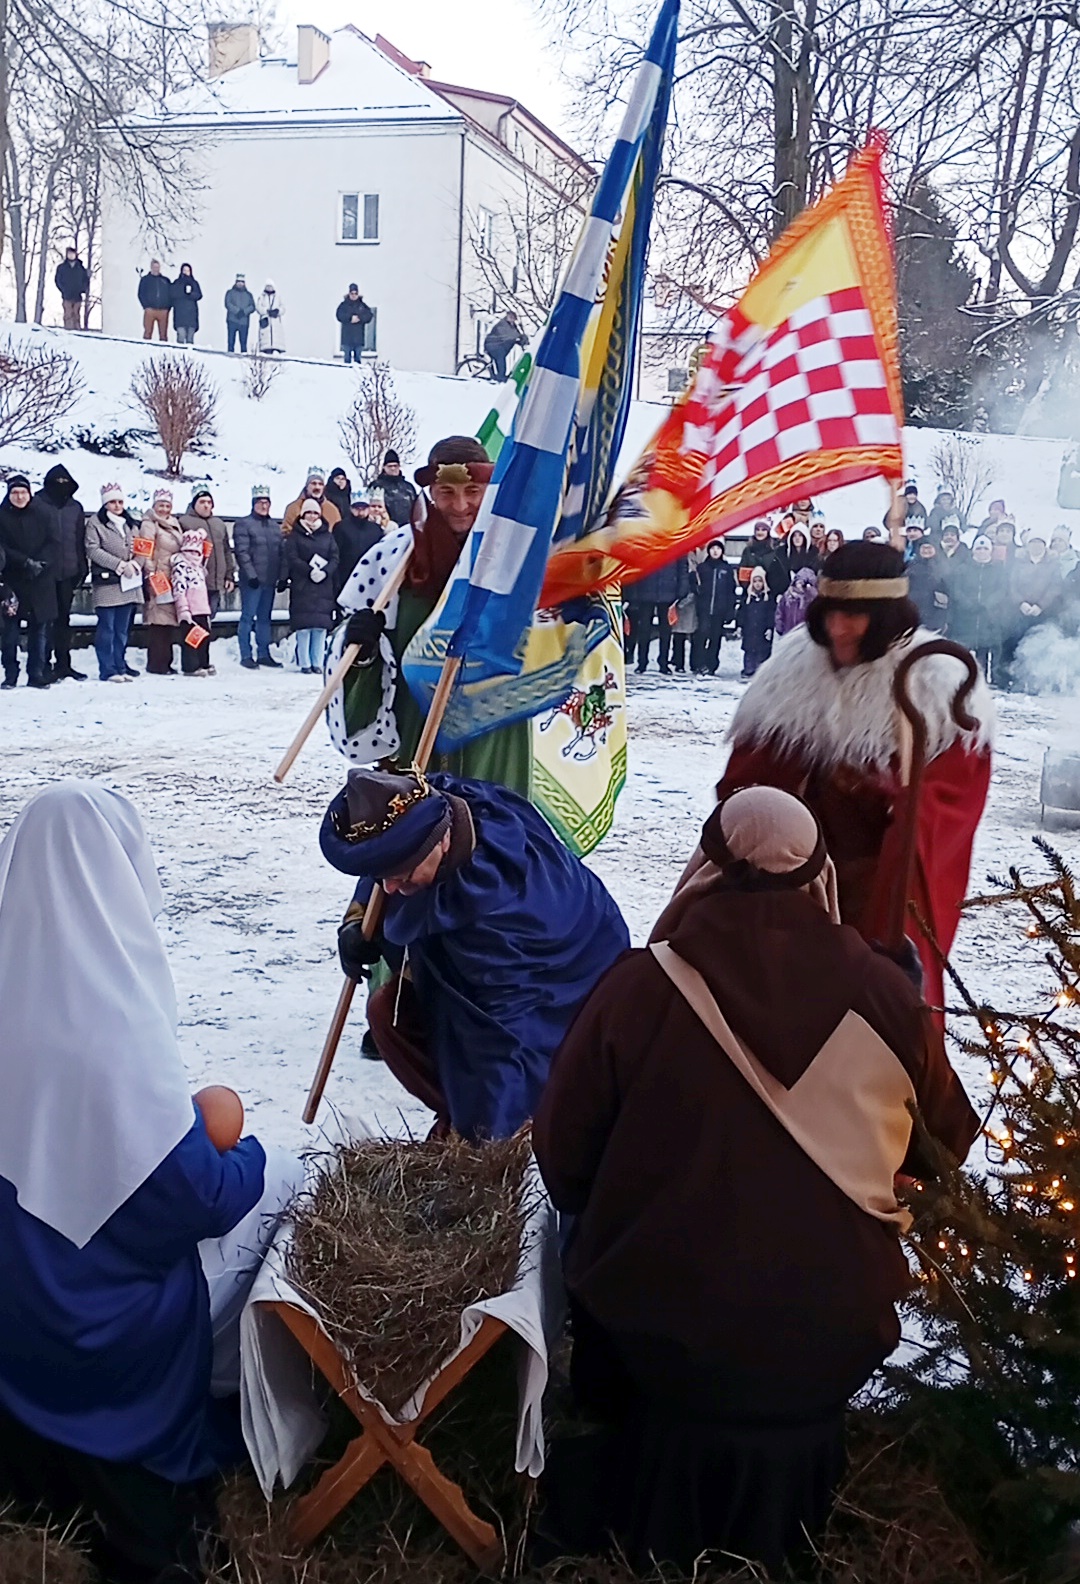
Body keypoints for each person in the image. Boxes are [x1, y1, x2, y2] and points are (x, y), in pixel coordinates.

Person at [533, 786, 979, 1577]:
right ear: (820, 875)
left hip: (655, 1345)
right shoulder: (885, 996)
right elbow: (948, 1147)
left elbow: (563, 1161)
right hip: (828, 1345)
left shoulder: (640, 987)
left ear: (706, 867)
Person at [0, 782, 299, 1584]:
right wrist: (254, 1158)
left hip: (11, 1326)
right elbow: (193, 1197)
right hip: (98, 1346)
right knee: (263, 1225)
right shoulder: (114, 1028)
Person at [717, 542, 993, 1008]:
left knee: (868, 1009)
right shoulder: (791, 674)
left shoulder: (938, 683)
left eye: (854, 616)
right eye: (830, 614)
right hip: (792, 888)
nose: (838, 629)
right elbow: (747, 783)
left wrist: (893, 798)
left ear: (885, 619)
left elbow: (949, 805)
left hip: (875, 892)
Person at [321, 767, 630, 1139]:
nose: (388, 888)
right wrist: (358, 919)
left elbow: (504, 1042)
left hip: (567, 982)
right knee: (386, 1012)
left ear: (441, 842)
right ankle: (457, 1110)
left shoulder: (496, 908)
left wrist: (487, 1143)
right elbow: (385, 855)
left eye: (401, 874)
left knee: (501, 1080)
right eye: (381, 875)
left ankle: (521, 1129)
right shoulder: (437, 803)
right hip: (489, 976)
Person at [328, 435, 531, 786]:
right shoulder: (394, 556)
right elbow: (351, 647)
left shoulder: (517, 556)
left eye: (472, 492)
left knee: (489, 816)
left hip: (493, 736)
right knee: (420, 817)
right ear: (431, 492)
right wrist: (361, 642)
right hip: (414, 727)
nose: (460, 505)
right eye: (447, 492)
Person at [0, 474, 56, 690]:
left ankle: (36, 673)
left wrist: (41, 563)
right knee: (10, 634)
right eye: (15, 492)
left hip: (40, 578)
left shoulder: (43, 514)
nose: (19, 496)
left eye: (23, 492)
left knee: (39, 631)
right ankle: (10, 674)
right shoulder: (2, 515)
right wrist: (24, 562)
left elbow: (53, 541)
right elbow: (2, 547)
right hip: (12, 579)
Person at [33, 465, 88, 682]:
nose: (61, 486)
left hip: (68, 572)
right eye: (57, 482)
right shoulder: (37, 503)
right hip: (44, 573)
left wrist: (82, 566)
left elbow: (79, 539)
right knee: (45, 621)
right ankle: (43, 665)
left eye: (65, 482)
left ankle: (64, 664)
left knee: (64, 621)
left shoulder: (75, 507)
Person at [85, 485, 143, 683]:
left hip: (129, 583)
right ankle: (107, 668)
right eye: (112, 502)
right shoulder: (95, 524)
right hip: (108, 582)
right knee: (107, 629)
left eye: (120, 502)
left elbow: (142, 547)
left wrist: (136, 563)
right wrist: (118, 564)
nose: (117, 506)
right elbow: (92, 549)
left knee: (122, 629)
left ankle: (120, 664)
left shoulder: (131, 524)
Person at [284, 498, 339, 673]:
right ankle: (305, 663)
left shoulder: (327, 536)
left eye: (315, 513)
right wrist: (309, 570)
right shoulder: (295, 536)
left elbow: (334, 557)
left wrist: (325, 571)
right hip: (303, 585)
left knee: (320, 628)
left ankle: (317, 662)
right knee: (304, 628)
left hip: (323, 587)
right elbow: (292, 557)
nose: (312, 516)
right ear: (303, 514)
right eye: (309, 513)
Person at [1001, 532, 1061, 690]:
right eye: (1033, 543)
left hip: (1042, 613)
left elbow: (1055, 588)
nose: (1036, 546)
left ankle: (1036, 682)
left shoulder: (1053, 564)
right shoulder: (1018, 563)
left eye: (1039, 543)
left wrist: (1040, 605)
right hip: (1019, 612)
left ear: (1045, 546)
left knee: (1039, 647)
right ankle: (1011, 680)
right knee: (1014, 644)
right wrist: (1021, 603)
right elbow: (1011, 585)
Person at [233, 485, 284, 670]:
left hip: (269, 579)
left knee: (265, 618)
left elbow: (281, 553)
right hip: (252, 581)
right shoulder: (244, 524)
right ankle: (246, 654)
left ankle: (264, 653)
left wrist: (281, 576)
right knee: (248, 617)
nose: (264, 506)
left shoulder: (274, 527)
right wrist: (251, 575)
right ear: (253, 504)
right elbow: (242, 552)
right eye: (260, 502)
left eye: (266, 502)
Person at [947, 535, 1006, 686]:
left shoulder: (998, 570)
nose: (982, 551)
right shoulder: (962, 569)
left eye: (985, 548)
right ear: (973, 551)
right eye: (979, 548)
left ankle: (984, 681)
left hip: (988, 617)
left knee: (984, 651)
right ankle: (962, 680)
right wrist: (967, 603)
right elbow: (956, 590)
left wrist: (988, 603)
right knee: (963, 650)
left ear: (990, 551)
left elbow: (1003, 589)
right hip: (966, 617)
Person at [179, 488, 235, 646]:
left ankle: (203, 652)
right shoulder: (184, 522)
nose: (206, 505)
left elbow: (226, 550)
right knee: (196, 621)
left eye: (209, 502)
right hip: (195, 584)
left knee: (210, 618)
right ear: (194, 504)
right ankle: (193, 654)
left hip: (215, 582)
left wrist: (229, 575)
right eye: (202, 502)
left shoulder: (219, 524)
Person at [138, 488, 184, 676]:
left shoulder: (174, 523)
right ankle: (157, 663)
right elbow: (145, 551)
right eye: (161, 505)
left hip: (173, 576)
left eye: (167, 505)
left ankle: (166, 661)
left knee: (169, 621)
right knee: (158, 621)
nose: (164, 509)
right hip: (158, 576)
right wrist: (150, 573)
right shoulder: (149, 525)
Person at [625, 559, 690, 674]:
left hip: (668, 593)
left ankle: (663, 662)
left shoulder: (675, 549)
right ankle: (642, 662)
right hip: (646, 591)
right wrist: (633, 593)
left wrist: (681, 591)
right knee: (644, 630)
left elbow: (682, 570)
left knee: (665, 631)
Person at [170, 526, 215, 677]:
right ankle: (190, 666)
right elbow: (179, 590)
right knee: (191, 640)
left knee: (204, 637)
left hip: (202, 608)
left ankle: (203, 662)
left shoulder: (200, 568)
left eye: (197, 552)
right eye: (190, 552)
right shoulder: (181, 567)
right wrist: (183, 609)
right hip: (190, 610)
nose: (194, 555)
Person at [690, 539, 735, 675]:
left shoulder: (726, 569)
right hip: (703, 608)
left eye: (718, 549)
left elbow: (731, 591)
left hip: (719, 609)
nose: (715, 551)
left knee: (715, 638)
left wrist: (730, 611)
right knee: (701, 635)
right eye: (713, 549)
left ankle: (711, 665)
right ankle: (698, 663)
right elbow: (694, 585)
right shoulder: (702, 568)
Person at [335, 490, 384, 598]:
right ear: (351, 508)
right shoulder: (341, 527)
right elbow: (336, 554)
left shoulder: (376, 530)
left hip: (369, 578)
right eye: (357, 508)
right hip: (346, 578)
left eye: (364, 508)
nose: (360, 512)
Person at [736, 564, 775, 678]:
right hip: (749, 630)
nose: (757, 584)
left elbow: (771, 614)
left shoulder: (768, 598)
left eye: (760, 581)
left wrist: (769, 627)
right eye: (755, 581)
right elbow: (741, 613)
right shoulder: (747, 598)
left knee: (762, 651)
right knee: (749, 651)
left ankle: (760, 670)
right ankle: (748, 669)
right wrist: (739, 626)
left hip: (762, 629)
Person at [906, 536, 949, 633]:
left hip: (935, 614)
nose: (926, 551)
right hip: (914, 612)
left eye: (929, 548)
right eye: (923, 548)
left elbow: (948, 592)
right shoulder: (910, 566)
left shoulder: (944, 566)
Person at [283, 466, 342, 533]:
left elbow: (338, 533)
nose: (317, 487)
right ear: (307, 486)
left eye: (320, 484)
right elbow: (286, 532)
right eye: (313, 483)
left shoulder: (332, 510)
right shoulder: (293, 508)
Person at [368, 449, 417, 527]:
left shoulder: (409, 487)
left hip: (408, 528)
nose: (393, 468)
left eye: (395, 466)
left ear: (399, 466)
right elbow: (371, 509)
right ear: (384, 467)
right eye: (390, 466)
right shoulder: (376, 486)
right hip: (385, 527)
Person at [738, 518, 787, 596]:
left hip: (771, 593)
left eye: (763, 530)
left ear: (768, 532)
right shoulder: (748, 550)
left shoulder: (775, 550)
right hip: (751, 593)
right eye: (757, 530)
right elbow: (742, 573)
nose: (760, 532)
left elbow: (780, 574)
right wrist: (749, 588)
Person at [669, 557, 698, 674]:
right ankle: (678, 662)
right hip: (678, 599)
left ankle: (693, 664)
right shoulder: (681, 558)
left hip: (692, 602)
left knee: (693, 635)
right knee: (679, 635)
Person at [774, 564, 817, 638]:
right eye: (799, 582)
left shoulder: (812, 598)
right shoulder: (787, 596)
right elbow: (780, 613)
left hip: (806, 637)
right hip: (788, 634)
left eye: (803, 583)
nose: (800, 585)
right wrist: (779, 628)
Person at [483, 310, 527, 381]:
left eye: (513, 318)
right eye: (510, 317)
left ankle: (499, 375)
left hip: (498, 345)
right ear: (507, 316)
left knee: (500, 358)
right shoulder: (502, 324)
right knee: (500, 359)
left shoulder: (512, 325)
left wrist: (522, 339)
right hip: (493, 345)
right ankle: (501, 376)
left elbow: (515, 334)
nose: (512, 319)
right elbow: (510, 335)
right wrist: (520, 337)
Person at [336, 284, 373, 364]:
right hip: (347, 338)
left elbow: (369, 316)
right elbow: (339, 315)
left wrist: (359, 318)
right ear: (349, 294)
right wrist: (350, 318)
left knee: (358, 360)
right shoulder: (344, 305)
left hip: (358, 339)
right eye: (352, 293)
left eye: (355, 293)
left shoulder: (362, 305)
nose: (354, 295)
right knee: (347, 360)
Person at [55, 246, 89, 331]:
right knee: (68, 313)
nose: (71, 255)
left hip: (77, 295)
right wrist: (63, 290)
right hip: (67, 295)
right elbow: (58, 280)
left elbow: (85, 280)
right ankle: (68, 329)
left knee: (76, 314)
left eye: (72, 254)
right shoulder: (62, 268)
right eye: (69, 254)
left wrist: (82, 289)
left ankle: (77, 329)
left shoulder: (80, 268)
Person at [138, 260, 171, 341]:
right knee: (147, 332)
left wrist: (168, 307)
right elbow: (141, 293)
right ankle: (145, 347)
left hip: (163, 310)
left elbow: (171, 294)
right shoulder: (145, 280)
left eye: (157, 267)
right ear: (151, 267)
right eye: (154, 267)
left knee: (163, 334)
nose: (156, 269)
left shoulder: (165, 280)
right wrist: (146, 306)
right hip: (150, 310)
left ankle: (163, 348)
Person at [170, 263, 202, 345]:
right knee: (181, 336)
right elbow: (172, 295)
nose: (186, 272)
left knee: (190, 339)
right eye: (184, 270)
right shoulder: (177, 283)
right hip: (180, 314)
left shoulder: (194, 283)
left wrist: (191, 294)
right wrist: (182, 292)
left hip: (192, 315)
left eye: (188, 270)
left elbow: (199, 295)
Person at [224, 274, 256, 353]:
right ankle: (230, 355)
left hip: (244, 322)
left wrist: (244, 312)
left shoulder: (248, 295)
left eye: (242, 282)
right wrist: (237, 311)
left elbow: (252, 306)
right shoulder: (230, 293)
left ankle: (244, 357)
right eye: (238, 281)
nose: (240, 284)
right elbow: (227, 303)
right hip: (232, 320)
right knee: (231, 342)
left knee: (243, 343)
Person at [256, 281, 284, 353]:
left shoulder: (278, 297)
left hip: (275, 321)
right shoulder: (261, 297)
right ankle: (266, 349)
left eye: (270, 286)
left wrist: (277, 311)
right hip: (265, 320)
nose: (269, 288)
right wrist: (266, 311)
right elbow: (258, 307)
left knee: (276, 336)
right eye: (267, 286)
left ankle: (277, 348)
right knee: (265, 336)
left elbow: (283, 308)